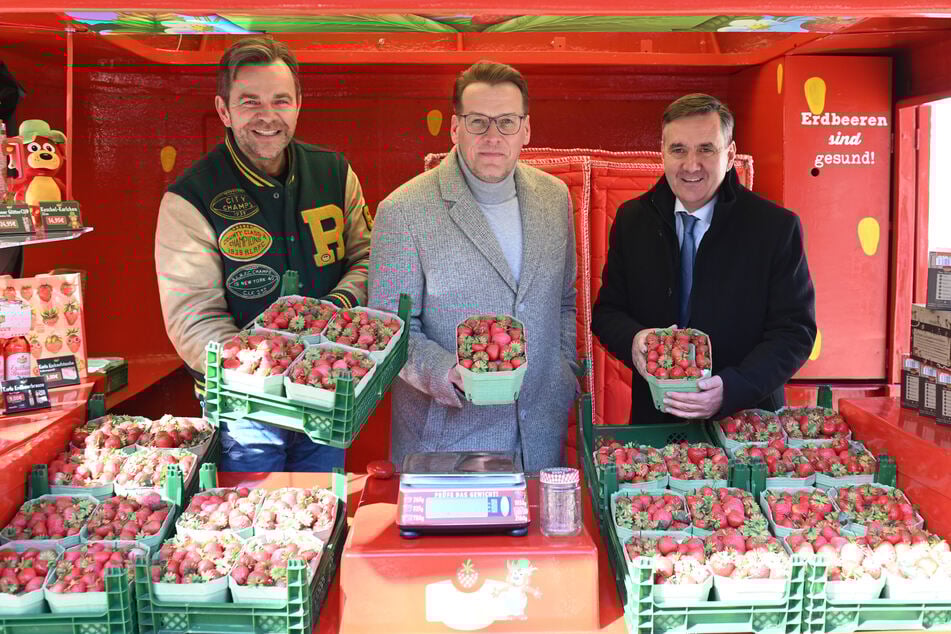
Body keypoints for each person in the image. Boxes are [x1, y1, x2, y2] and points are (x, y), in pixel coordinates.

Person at [155, 37, 372, 471]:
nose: (267, 116)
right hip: (243, 412)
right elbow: (191, 317)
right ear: (223, 110)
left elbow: (368, 257)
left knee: (322, 515)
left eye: (280, 100)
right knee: (259, 526)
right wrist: (264, 368)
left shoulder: (335, 172)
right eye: (250, 101)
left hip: (326, 393)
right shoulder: (190, 197)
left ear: (297, 105)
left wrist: (335, 310)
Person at [368, 61, 578, 473]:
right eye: (478, 122)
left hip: (541, 432)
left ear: (527, 129)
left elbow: (565, 301)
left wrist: (562, 372)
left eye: (507, 122)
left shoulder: (555, 198)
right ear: (455, 128)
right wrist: (448, 373)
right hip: (446, 440)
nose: (493, 137)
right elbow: (387, 331)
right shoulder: (403, 210)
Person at [591, 93, 816, 425]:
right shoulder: (631, 219)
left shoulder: (775, 227)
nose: (691, 165)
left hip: (745, 423)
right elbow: (609, 313)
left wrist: (731, 388)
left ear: (731, 155)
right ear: (662, 153)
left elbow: (795, 332)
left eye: (706, 149)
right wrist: (635, 340)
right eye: (678, 150)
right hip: (655, 423)